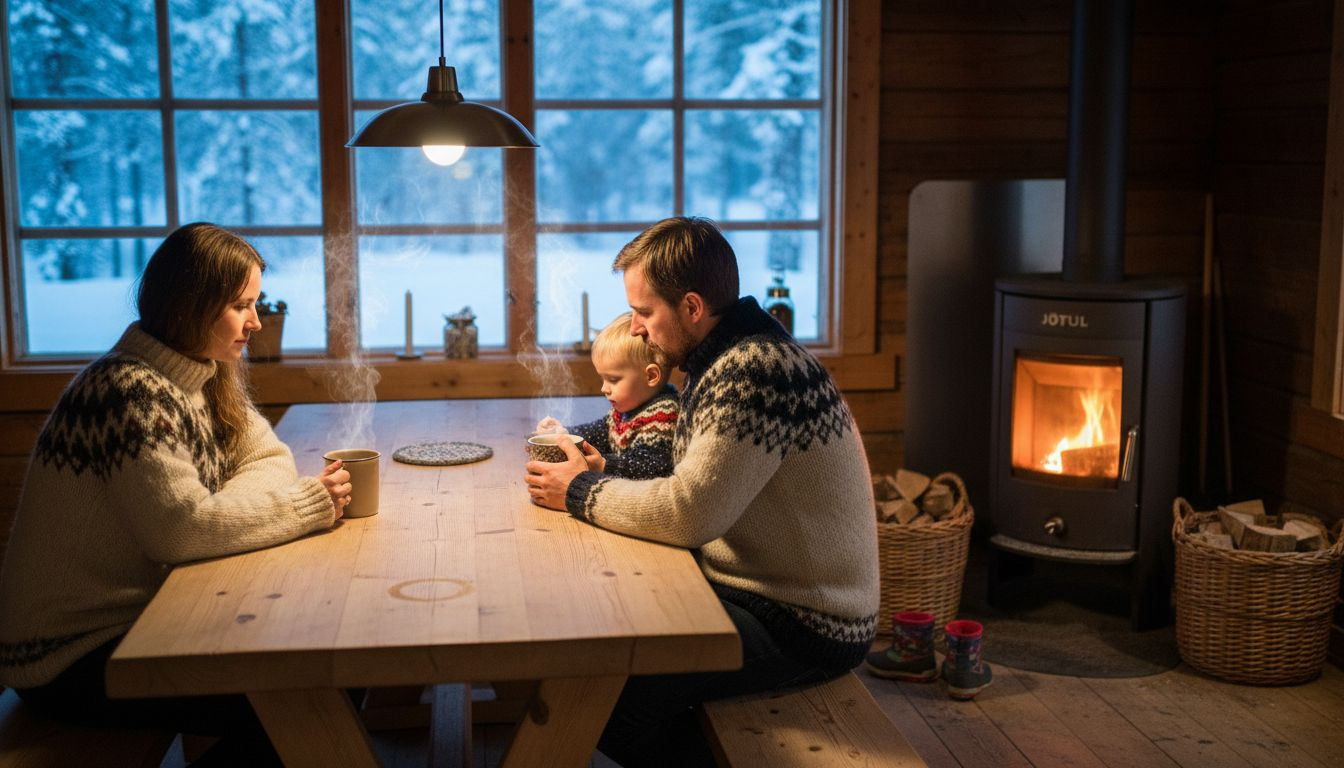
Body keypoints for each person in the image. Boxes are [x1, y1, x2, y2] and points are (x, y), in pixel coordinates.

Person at [524, 216, 880, 766]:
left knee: (605, 701)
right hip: (753, 587)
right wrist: (608, 464)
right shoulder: (722, 360)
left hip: (805, 620)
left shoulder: (756, 372)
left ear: (691, 308)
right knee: (598, 622)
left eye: (644, 313)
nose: (635, 327)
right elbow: (690, 478)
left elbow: (689, 512)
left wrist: (580, 491)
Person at [0, 222, 352, 765]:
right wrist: (307, 506)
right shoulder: (126, 391)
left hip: (147, 621)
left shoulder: (204, 373)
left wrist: (227, 512)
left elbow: (269, 457)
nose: (257, 322)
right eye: (242, 306)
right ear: (192, 304)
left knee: (330, 678)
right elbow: (182, 531)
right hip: (69, 654)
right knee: (320, 694)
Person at [534, 312, 678, 480]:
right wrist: (564, 434)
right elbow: (599, 431)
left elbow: (651, 466)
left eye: (613, 379)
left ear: (651, 376)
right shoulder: (630, 409)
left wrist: (604, 465)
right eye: (603, 378)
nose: (604, 388)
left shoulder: (663, 415)